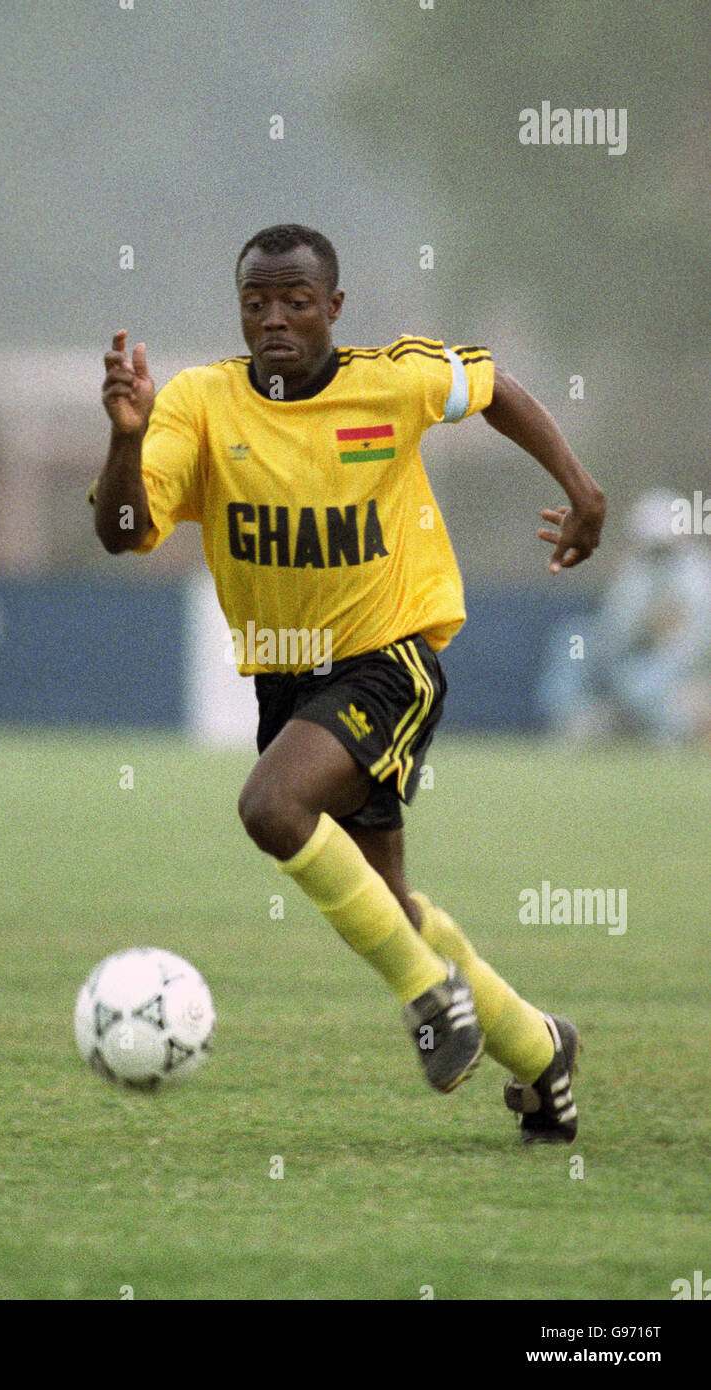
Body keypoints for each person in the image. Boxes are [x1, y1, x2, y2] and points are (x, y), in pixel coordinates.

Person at [90, 224, 606, 1143]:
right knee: (395, 909)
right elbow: (124, 529)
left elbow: (492, 390)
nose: (275, 319)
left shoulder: (394, 379)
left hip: (388, 658)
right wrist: (126, 439)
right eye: (257, 303)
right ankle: (541, 1054)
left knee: (269, 809)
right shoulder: (201, 406)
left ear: (334, 307)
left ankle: (429, 1000)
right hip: (288, 685)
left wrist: (581, 487)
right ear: (239, 310)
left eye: (295, 301)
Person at [538, 489, 711, 743]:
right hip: (624, 658)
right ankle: (577, 721)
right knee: (573, 638)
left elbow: (694, 644)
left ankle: (653, 732)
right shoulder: (635, 572)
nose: (657, 554)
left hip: (671, 667)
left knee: (644, 682)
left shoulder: (699, 575)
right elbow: (616, 629)